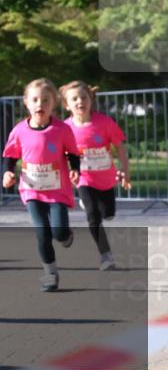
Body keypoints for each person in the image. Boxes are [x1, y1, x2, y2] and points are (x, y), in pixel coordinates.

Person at [1, 78, 81, 292]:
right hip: (32, 190)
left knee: (58, 232)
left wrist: (75, 169)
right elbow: (10, 155)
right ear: (26, 102)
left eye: (45, 100)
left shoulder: (62, 129)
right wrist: (8, 172)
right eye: (35, 99)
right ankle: (50, 273)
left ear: (53, 104)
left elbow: (73, 153)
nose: (40, 104)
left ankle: (66, 235)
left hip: (57, 190)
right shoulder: (19, 131)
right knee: (42, 233)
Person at [60, 80, 130, 271]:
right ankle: (105, 255)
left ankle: (101, 208)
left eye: (83, 97)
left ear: (91, 99)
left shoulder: (104, 123)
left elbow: (120, 146)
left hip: (106, 178)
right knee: (93, 216)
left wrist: (124, 169)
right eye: (74, 99)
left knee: (108, 214)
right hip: (84, 179)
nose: (79, 101)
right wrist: (69, 172)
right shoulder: (65, 128)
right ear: (66, 105)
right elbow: (62, 154)